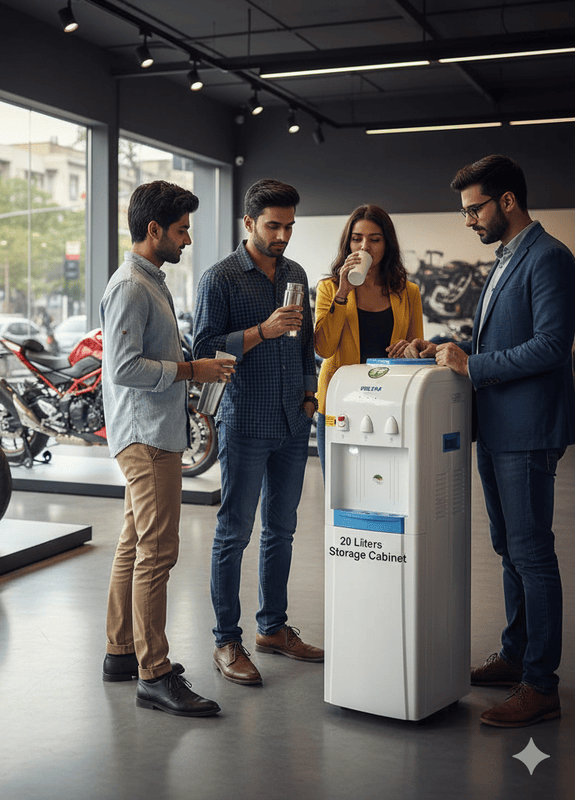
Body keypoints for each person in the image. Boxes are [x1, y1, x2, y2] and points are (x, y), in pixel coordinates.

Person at [407, 154, 575, 728]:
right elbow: (498, 337)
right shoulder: (506, 259)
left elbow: (552, 345)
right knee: (509, 548)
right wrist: (442, 349)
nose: (469, 221)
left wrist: (474, 366)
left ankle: (540, 683)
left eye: (474, 208)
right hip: (499, 429)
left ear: (507, 201)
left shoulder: (549, 257)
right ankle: (515, 654)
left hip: (528, 432)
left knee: (532, 553)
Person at [100, 180, 235, 717]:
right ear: (153, 230)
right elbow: (124, 368)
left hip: (154, 429)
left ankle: (121, 651)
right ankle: (153, 673)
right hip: (147, 436)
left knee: (134, 545)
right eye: (181, 230)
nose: (187, 239)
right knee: (158, 553)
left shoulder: (149, 280)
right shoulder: (132, 285)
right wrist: (190, 370)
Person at [193, 178, 322, 686]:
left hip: (293, 421)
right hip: (244, 421)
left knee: (282, 531)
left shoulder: (296, 272)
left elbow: (306, 341)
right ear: (249, 223)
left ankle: (273, 627)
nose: (283, 235)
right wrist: (261, 331)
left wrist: (310, 395)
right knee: (233, 534)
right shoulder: (219, 278)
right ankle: (227, 640)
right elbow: (204, 348)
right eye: (274, 225)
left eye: (290, 225)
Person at [314, 205, 424, 475]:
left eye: (375, 239)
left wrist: (411, 349)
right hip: (339, 404)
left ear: (387, 244)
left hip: (390, 407)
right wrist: (343, 292)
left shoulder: (408, 292)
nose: (364, 247)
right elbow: (324, 348)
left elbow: (420, 352)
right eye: (357, 239)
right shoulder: (329, 288)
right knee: (341, 494)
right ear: (348, 243)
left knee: (383, 486)